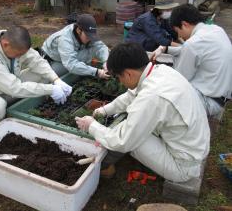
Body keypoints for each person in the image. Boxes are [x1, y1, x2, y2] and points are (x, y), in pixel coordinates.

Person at [75, 43, 210, 182]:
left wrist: (91, 126)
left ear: (128, 73)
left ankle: (104, 165)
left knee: (130, 137)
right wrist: (103, 110)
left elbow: (122, 141)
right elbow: (130, 96)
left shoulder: (152, 97)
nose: (120, 82)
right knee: (133, 125)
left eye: (119, 77)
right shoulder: (160, 71)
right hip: (195, 146)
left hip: (183, 166)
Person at [0, 26, 72, 126]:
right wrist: (51, 89)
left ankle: (21, 106)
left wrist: (56, 80)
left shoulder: (14, 42)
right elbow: (14, 88)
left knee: (43, 75)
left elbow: (37, 61)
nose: (20, 56)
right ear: (5, 44)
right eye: (18, 54)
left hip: (8, 86)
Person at [152, 4, 232, 119]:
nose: (179, 35)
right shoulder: (216, 30)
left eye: (177, 30)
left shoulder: (193, 44)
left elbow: (179, 79)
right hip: (221, 95)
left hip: (207, 102)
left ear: (184, 24)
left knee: (162, 94)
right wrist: (166, 48)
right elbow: (198, 51)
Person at [41, 14, 110, 79]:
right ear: (78, 31)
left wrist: (106, 61)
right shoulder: (65, 39)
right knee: (51, 77)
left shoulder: (85, 33)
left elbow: (100, 46)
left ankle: (82, 69)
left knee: (93, 49)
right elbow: (71, 64)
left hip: (67, 58)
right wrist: (96, 72)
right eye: (88, 36)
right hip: (53, 61)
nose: (90, 38)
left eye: (91, 35)